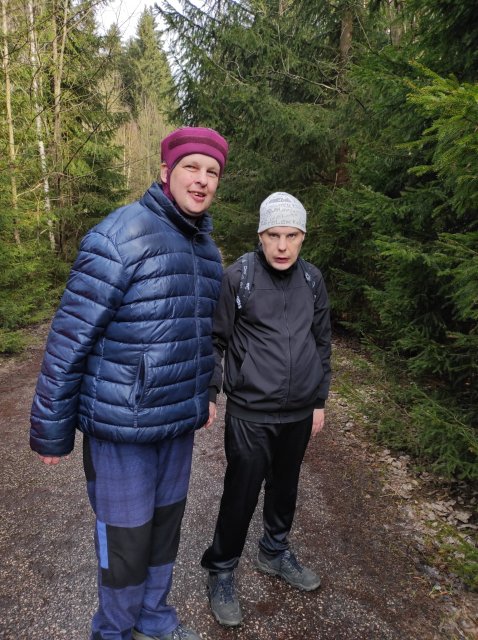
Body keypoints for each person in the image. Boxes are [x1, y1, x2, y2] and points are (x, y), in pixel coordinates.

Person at [29, 127, 229, 640]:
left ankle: (154, 619)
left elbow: (208, 335)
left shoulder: (208, 252)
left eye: (212, 172)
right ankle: (113, 631)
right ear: (165, 172)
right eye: (191, 167)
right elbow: (69, 338)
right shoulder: (119, 234)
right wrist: (51, 429)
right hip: (121, 427)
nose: (202, 180)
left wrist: (206, 393)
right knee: (125, 542)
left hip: (176, 425)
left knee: (163, 532)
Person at [201, 192, 332, 627]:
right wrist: (210, 393)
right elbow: (215, 340)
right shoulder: (238, 278)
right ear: (260, 235)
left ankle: (274, 552)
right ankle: (221, 569)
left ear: (303, 237)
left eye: (291, 236)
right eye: (273, 235)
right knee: (241, 493)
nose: (282, 246)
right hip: (250, 412)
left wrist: (319, 400)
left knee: (285, 488)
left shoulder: (312, 279)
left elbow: (322, 342)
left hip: (298, 411)